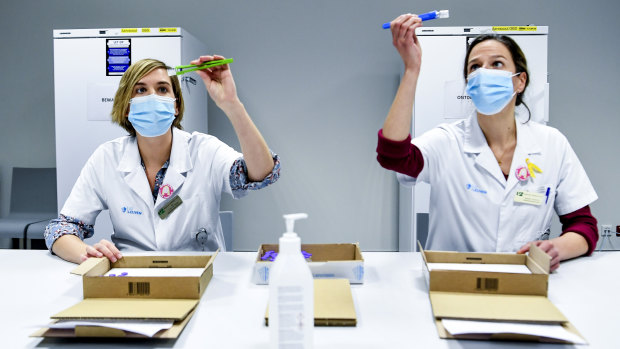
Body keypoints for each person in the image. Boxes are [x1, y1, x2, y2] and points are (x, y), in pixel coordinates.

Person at [376, 14, 598, 271]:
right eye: (475, 67)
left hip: (522, 279)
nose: (484, 72)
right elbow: (393, 156)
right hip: (451, 281)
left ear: (520, 80)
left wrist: (556, 248)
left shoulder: (552, 144)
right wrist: (412, 69)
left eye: (497, 63)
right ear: (469, 84)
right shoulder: (447, 141)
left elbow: (584, 226)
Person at [45, 55, 280, 264]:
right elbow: (62, 228)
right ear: (126, 108)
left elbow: (261, 173)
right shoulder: (107, 158)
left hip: (201, 273)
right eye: (140, 90)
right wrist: (87, 253)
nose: (152, 98)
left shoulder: (204, 149)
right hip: (133, 273)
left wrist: (231, 105)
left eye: (162, 89)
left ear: (176, 105)